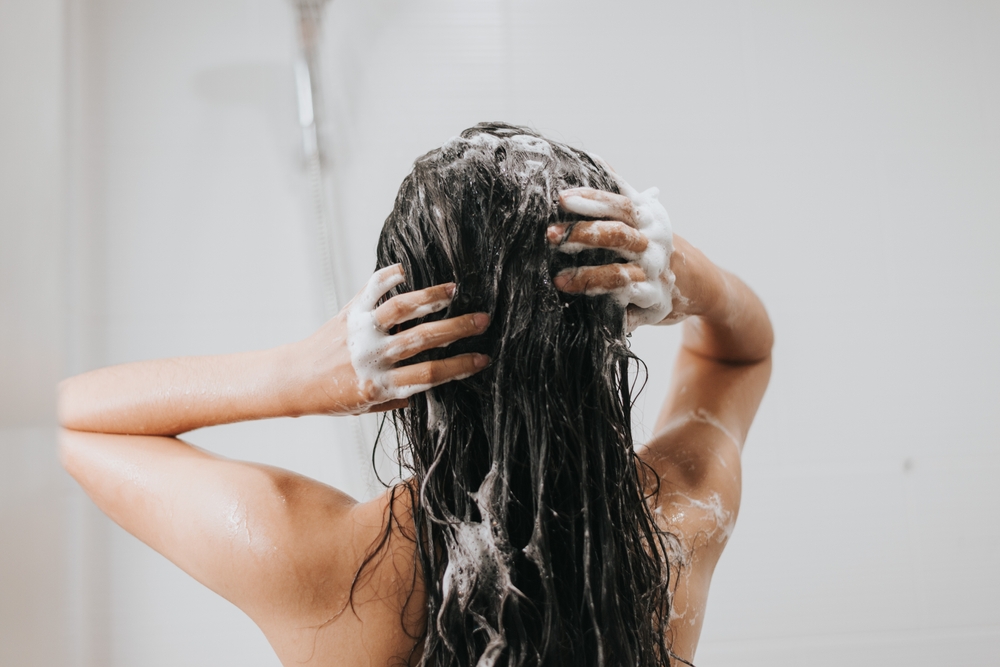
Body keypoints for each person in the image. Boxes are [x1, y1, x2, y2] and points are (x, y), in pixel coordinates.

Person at [59, 123, 773, 667]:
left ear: (407, 343)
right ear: (609, 328)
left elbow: (70, 423)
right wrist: (692, 275)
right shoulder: (678, 525)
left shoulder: (324, 568)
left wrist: (296, 377)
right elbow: (743, 352)